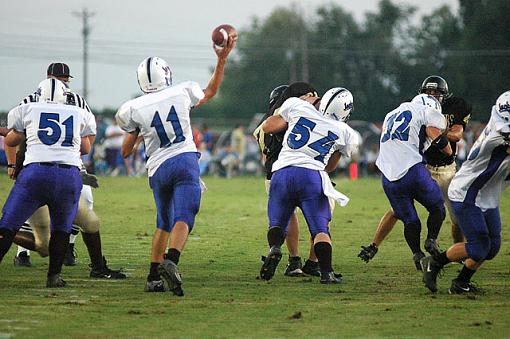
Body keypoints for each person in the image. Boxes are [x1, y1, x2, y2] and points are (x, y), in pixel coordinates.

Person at [116, 37, 235, 295]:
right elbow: (211, 91)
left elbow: (126, 152)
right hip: (183, 160)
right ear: (166, 75)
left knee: (164, 221)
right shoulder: (183, 91)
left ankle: (152, 277)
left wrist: (138, 131)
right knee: (185, 214)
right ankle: (172, 261)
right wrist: (222, 60)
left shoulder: (134, 108)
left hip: (157, 169)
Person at [7, 63, 125, 279]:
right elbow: (87, 145)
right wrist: (14, 164)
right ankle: (26, 254)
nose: (62, 82)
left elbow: (11, 137)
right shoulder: (45, 103)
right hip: (54, 170)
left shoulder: (43, 103)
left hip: (51, 169)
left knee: (83, 212)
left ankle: (79, 257)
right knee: (44, 229)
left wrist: (13, 164)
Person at [358, 76, 472, 267]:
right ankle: (374, 245)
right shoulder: (422, 109)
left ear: (445, 95)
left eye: (437, 92)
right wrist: (437, 133)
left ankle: (456, 252)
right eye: (429, 92)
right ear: (422, 93)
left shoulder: (455, 106)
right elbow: (433, 135)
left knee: (456, 216)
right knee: (399, 210)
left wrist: (439, 132)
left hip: (445, 170)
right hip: (422, 167)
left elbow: (458, 133)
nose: (433, 95)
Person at [259, 87, 359, 284]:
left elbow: (267, 127)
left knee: (278, 222)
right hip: (311, 176)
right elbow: (330, 166)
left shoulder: (297, 106)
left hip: (282, 172)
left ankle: (275, 249)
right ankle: (326, 273)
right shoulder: (346, 132)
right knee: (320, 228)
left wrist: (301, 103)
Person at [0, 78, 95, 287]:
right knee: (62, 229)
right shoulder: (80, 113)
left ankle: (22, 254)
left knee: (7, 224)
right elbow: (86, 148)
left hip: (36, 173)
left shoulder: (27, 109)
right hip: (68, 175)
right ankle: (54, 277)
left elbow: (10, 141)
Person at [420, 91, 510, 294]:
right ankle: (434, 262)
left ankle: (461, 282)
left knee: (492, 247)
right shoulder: (499, 135)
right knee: (479, 247)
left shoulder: (500, 122)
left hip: (486, 193)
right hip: (468, 192)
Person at [374, 94, 452, 270]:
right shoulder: (427, 112)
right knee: (437, 207)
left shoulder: (391, 114)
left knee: (410, 220)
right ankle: (431, 240)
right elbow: (435, 134)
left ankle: (417, 254)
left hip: (388, 177)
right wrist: (449, 152)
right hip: (413, 171)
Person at [253, 83, 323, 277]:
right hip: (306, 170)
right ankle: (314, 262)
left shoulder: (266, 121)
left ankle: (293, 260)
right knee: (319, 217)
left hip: (275, 173)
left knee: (286, 215)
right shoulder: (297, 111)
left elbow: (264, 151)